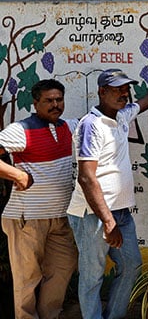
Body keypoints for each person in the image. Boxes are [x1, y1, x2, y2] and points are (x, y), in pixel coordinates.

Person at [67, 50, 148, 319]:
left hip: (119, 212)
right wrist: (108, 221)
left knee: (132, 265)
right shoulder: (92, 125)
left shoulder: (122, 115)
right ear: (101, 92)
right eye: (117, 90)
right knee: (92, 276)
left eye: (125, 89)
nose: (124, 94)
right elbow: (87, 177)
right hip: (93, 216)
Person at [0, 80, 78, 319]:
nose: (55, 105)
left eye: (59, 100)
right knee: (27, 279)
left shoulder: (69, 127)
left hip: (60, 218)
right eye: (48, 101)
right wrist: (17, 173)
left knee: (63, 268)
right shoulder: (21, 129)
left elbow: (126, 110)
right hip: (26, 219)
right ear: (36, 103)